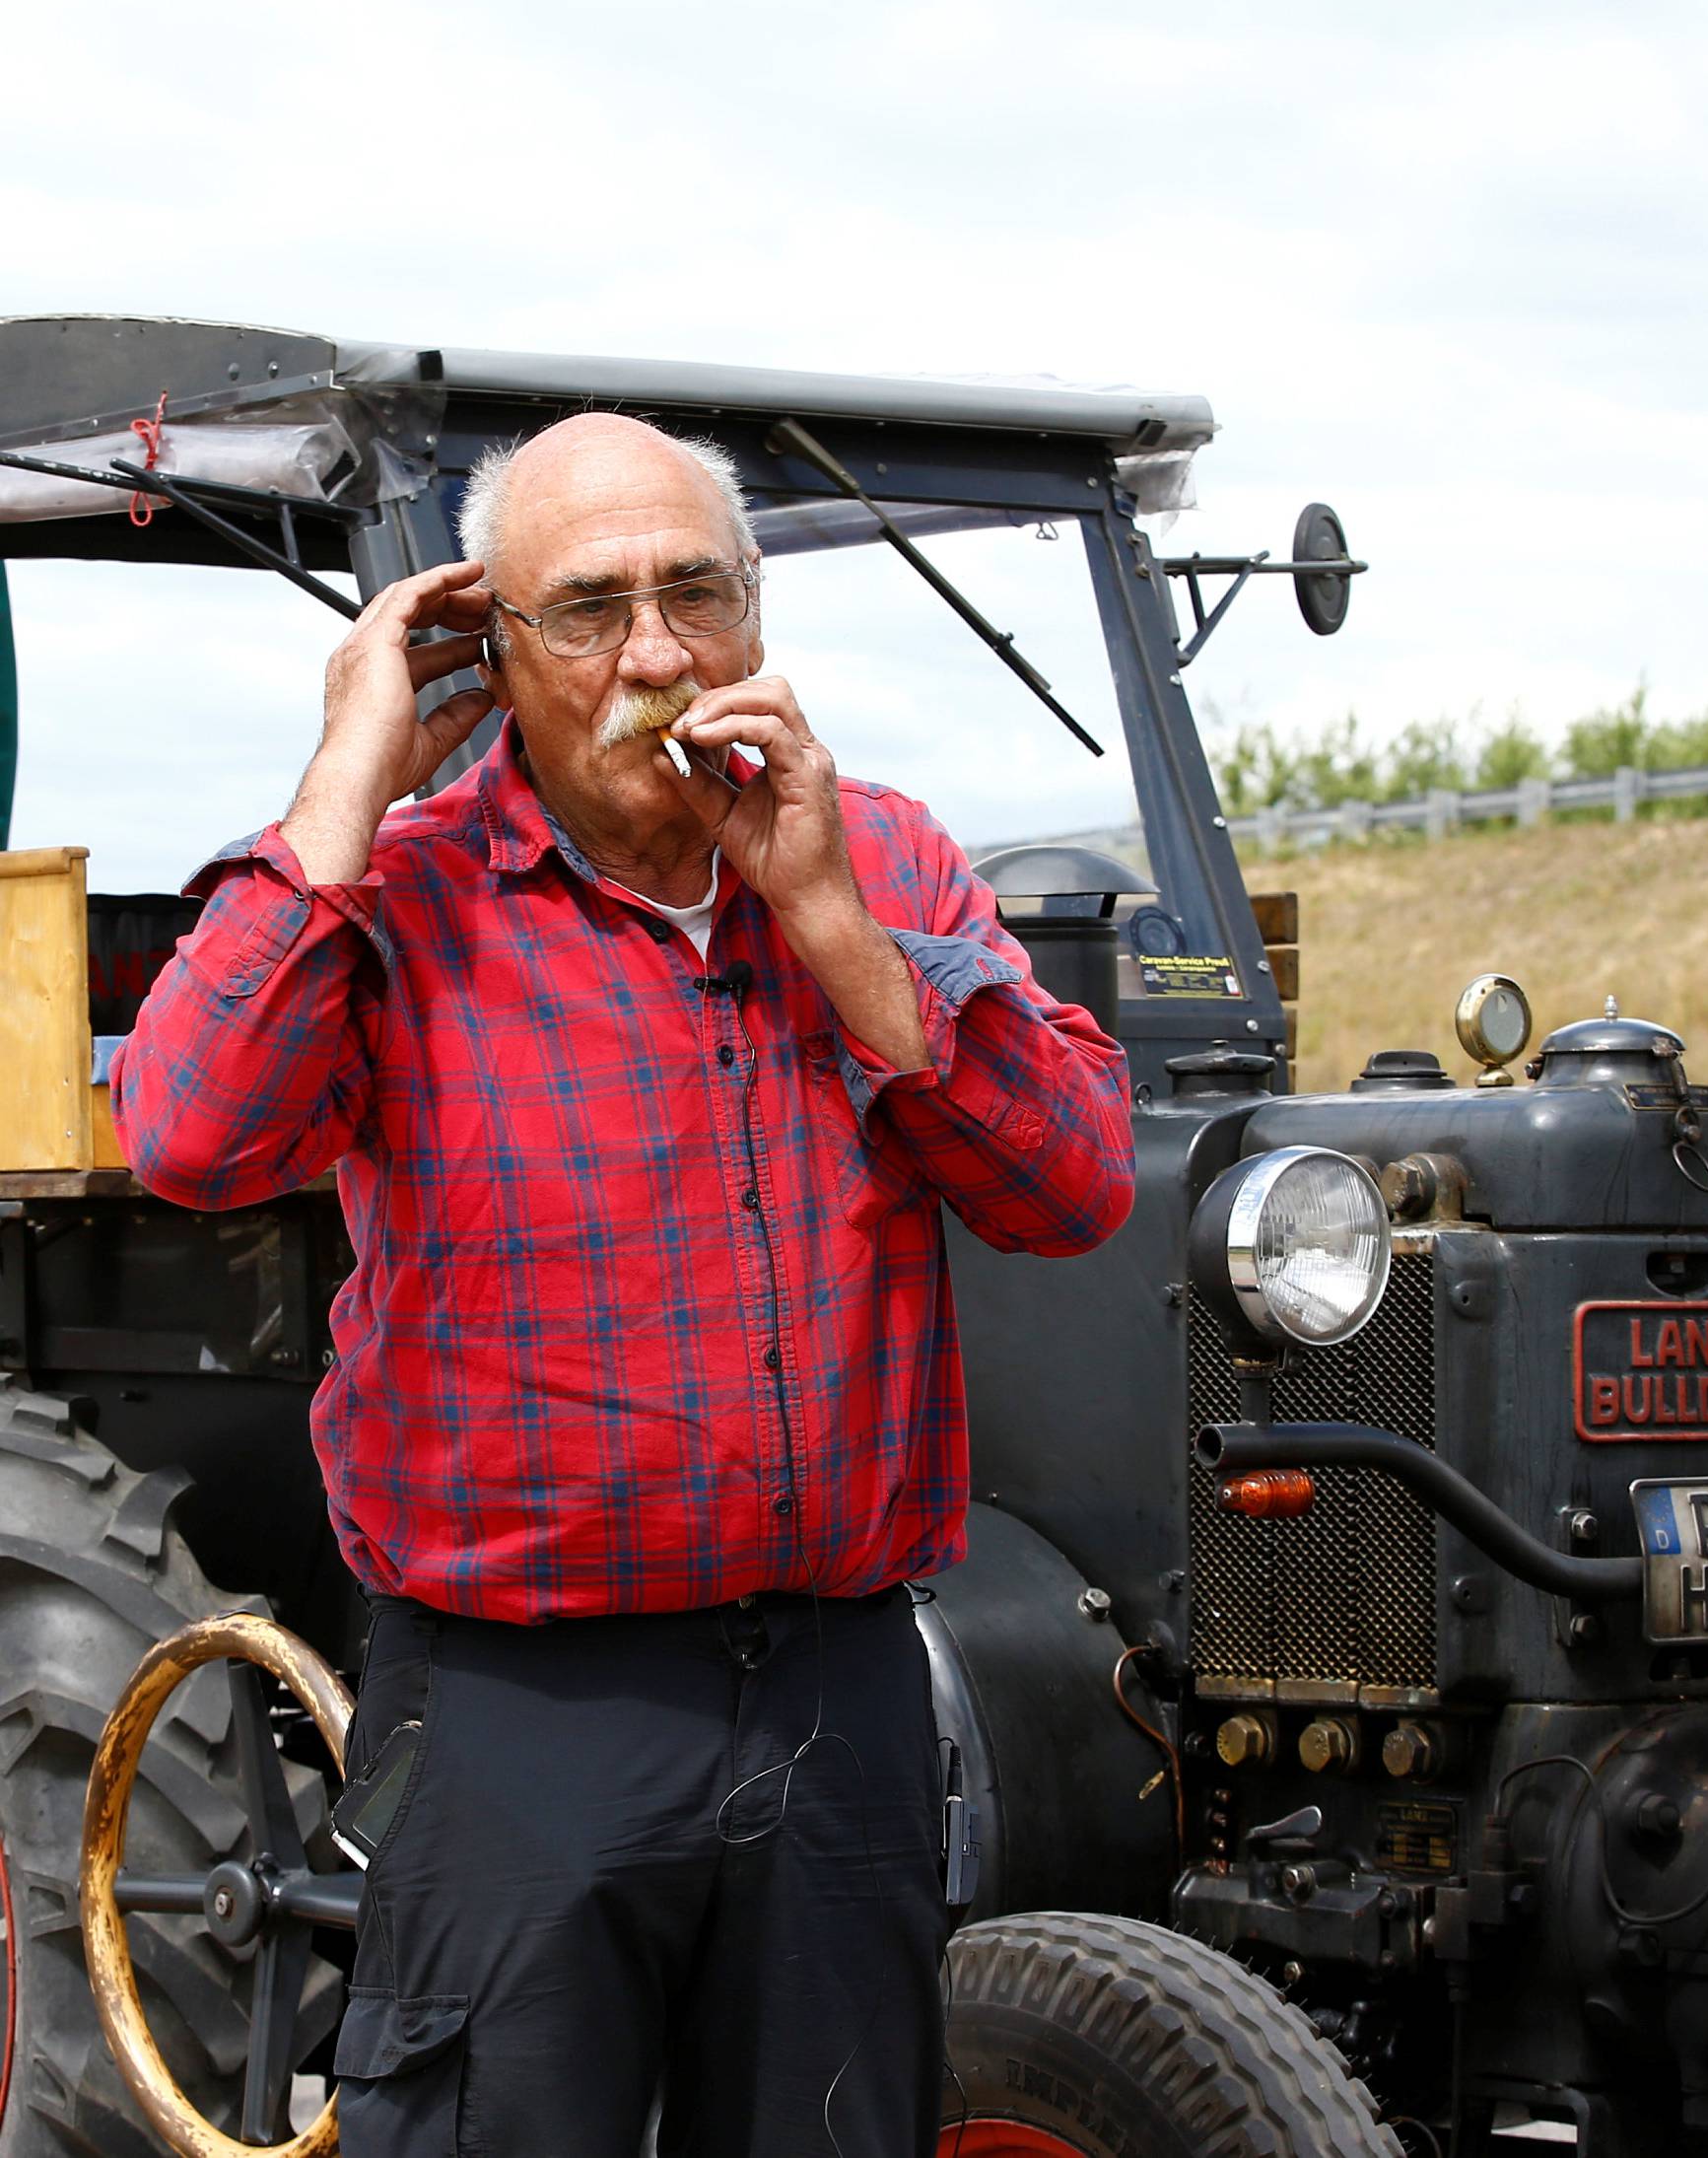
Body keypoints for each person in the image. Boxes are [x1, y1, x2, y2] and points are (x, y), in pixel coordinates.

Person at [111, 412, 1136, 2158]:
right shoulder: (406, 891)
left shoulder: (878, 858)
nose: (656, 654)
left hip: (841, 1699)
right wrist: (349, 778)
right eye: (587, 610)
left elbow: (1072, 1186)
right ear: (489, 650)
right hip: (526, 1717)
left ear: (754, 616)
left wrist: (825, 921)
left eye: (697, 595)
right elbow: (193, 1133)